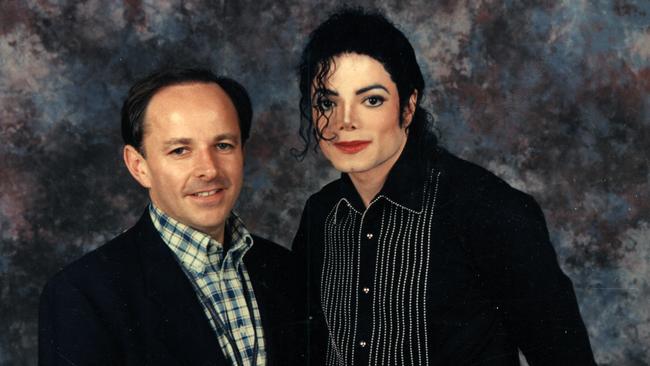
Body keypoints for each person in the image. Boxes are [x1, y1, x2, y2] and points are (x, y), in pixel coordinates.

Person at [292, 8, 596, 366]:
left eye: (371, 100)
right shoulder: (320, 215)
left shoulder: (487, 208)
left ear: (408, 107)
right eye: (327, 102)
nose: (345, 122)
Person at [39, 68, 299, 366]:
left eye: (223, 145)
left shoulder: (286, 270)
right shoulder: (82, 294)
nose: (209, 169)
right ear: (139, 166)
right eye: (180, 150)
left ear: (243, 152)